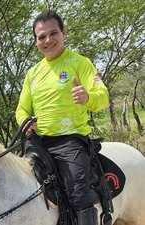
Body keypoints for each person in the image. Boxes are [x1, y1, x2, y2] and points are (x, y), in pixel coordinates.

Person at [15, 10, 109, 225]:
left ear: (64, 33)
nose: (48, 40)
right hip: (37, 142)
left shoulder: (80, 63)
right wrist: (25, 122)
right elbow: (21, 108)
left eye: (53, 33)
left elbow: (102, 97)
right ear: (36, 41)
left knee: (78, 194)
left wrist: (87, 97)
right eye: (41, 37)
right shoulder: (33, 73)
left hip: (70, 141)